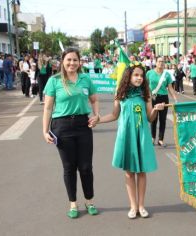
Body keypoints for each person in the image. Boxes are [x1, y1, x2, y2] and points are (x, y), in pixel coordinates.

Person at [98, 62, 165, 219]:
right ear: (128, 76)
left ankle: (141, 206)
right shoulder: (120, 94)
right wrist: (98, 120)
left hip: (141, 136)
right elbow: (114, 115)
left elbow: (150, 118)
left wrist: (155, 109)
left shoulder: (146, 94)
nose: (139, 78)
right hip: (126, 136)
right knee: (129, 173)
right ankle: (133, 206)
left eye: (141, 75)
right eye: (136, 75)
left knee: (141, 172)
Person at [42, 48, 100, 219]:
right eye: (68, 60)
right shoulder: (54, 81)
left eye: (75, 60)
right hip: (62, 126)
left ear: (79, 62)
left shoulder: (85, 79)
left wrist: (96, 116)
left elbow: (94, 99)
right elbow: (47, 107)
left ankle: (89, 201)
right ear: (62, 61)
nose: (72, 63)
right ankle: (73, 203)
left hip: (83, 125)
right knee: (69, 168)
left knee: (86, 167)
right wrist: (45, 131)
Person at [146, 57, 177, 147]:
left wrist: (175, 98)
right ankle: (152, 138)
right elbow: (146, 86)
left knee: (162, 119)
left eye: (163, 62)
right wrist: (147, 96)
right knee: (153, 119)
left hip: (163, 98)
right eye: (159, 61)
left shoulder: (167, 74)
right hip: (153, 98)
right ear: (156, 62)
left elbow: (170, 88)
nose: (161, 63)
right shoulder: (149, 73)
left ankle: (161, 139)